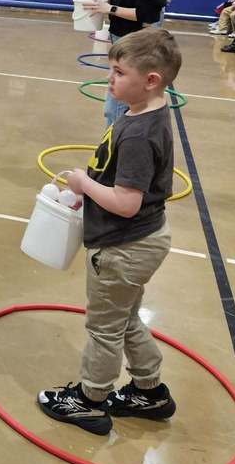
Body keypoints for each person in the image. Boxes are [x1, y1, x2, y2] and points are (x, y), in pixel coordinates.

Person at [38, 28, 182, 436]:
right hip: (139, 240)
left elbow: (127, 202)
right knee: (125, 315)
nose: (109, 79)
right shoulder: (142, 112)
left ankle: (90, 400)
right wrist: (94, 191)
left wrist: (85, 184)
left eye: (118, 72)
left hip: (124, 247)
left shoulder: (138, 132)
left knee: (104, 327)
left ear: (151, 80)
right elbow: (119, 184)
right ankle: (149, 390)